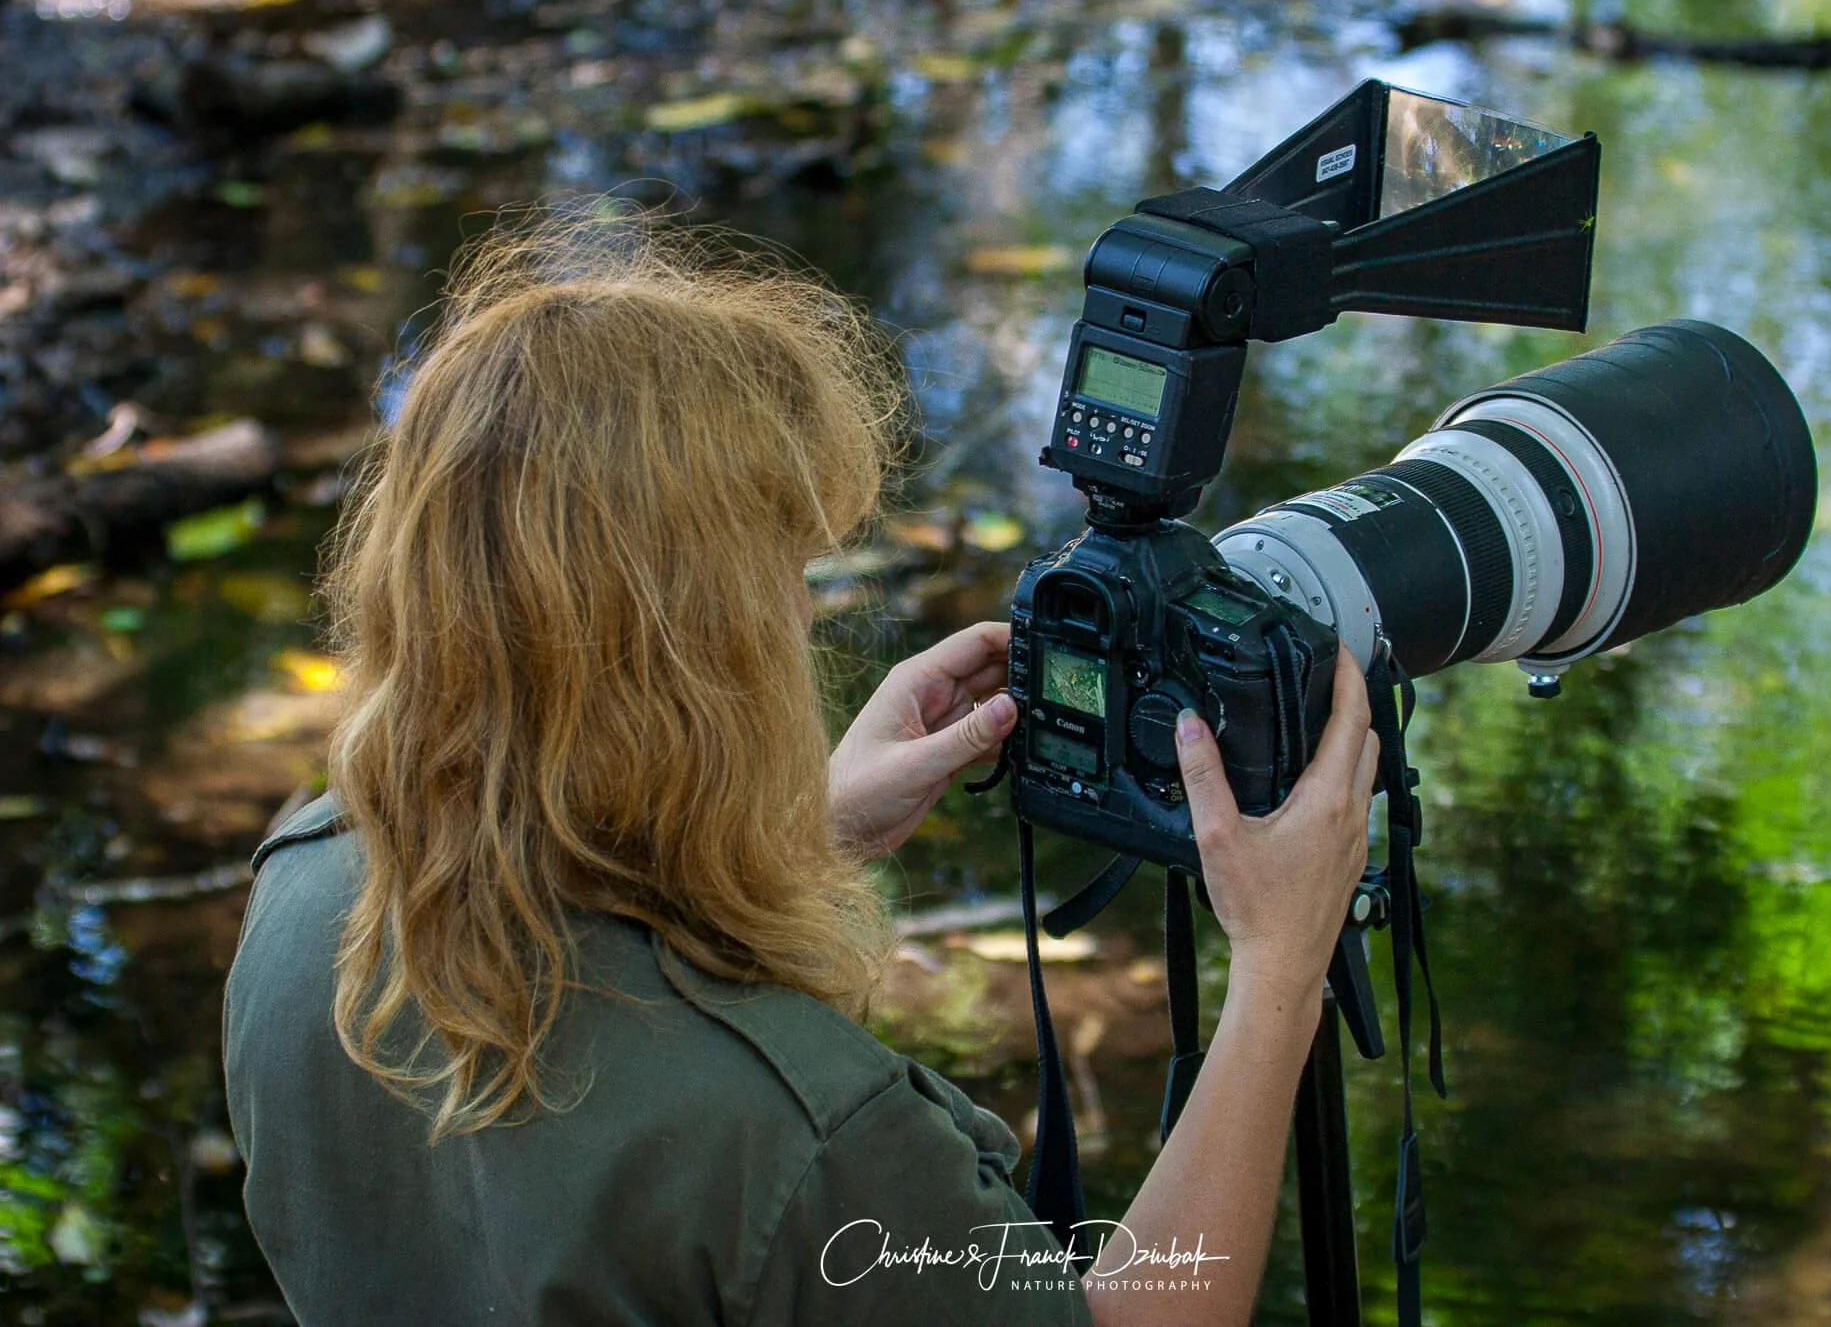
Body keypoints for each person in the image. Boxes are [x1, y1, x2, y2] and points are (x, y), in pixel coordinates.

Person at [222, 205, 1380, 1326]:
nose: (797, 610)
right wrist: (1279, 972)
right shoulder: (801, 1137)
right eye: (786, 568)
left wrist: (796, 835)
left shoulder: (306, 877)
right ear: (693, 642)